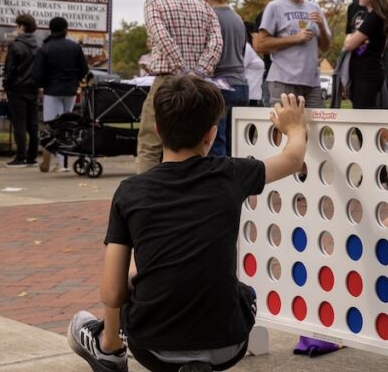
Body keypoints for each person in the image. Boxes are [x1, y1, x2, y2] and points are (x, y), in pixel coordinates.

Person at [66, 75, 308, 372]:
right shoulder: (231, 174)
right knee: (243, 293)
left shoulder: (130, 192)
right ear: (211, 134)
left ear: (157, 130)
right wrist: (295, 127)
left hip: (152, 349)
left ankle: (109, 348)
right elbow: (292, 159)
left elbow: (113, 291)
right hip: (228, 347)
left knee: (131, 272)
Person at [137, 0, 223, 173]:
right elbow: (216, 41)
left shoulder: (154, 3)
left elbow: (162, 38)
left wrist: (182, 69)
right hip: (199, 83)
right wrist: (199, 70)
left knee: (150, 142)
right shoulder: (203, 6)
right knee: (195, 142)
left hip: (167, 81)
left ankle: (146, 190)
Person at [254, 0, 330, 108]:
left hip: (312, 82)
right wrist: (295, 38)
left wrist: (321, 27)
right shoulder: (274, 7)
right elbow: (260, 44)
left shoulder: (315, 8)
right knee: (285, 122)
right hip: (283, 81)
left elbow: (325, 47)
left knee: (317, 122)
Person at [200, 0, 249, 157]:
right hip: (241, 84)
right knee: (235, 144)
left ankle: (218, 176)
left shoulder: (209, 17)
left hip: (219, 85)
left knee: (215, 143)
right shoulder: (238, 19)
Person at [33, 16, 89, 172]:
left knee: (52, 125)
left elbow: (37, 73)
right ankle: (62, 163)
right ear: (66, 30)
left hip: (51, 90)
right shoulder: (75, 47)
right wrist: (75, 79)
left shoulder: (44, 49)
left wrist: (42, 85)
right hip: (70, 90)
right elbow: (84, 69)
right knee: (67, 124)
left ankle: (50, 160)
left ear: (50, 30)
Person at [342, 0, 388, 109]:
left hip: (367, 75)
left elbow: (349, 44)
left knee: (363, 116)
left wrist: (350, 37)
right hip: (360, 74)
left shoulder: (375, 17)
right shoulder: (367, 16)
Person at [3, 13, 40, 168]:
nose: (16, 29)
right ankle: (32, 156)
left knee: (19, 124)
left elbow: (10, 68)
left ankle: (20, 157)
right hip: (33, 89)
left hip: (17, 89)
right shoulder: (38, 46)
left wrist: (6, 85)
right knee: (33, 124)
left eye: (17, 26)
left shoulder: (16, 45)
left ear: (22, 27)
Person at [243, 21, 265, 107]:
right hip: (249, 94)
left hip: (253, 94)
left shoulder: (249, 49)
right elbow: (241, 68)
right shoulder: (247, 48)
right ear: (252, 34)